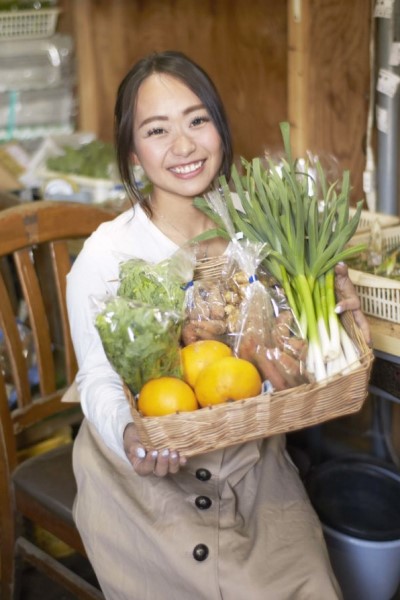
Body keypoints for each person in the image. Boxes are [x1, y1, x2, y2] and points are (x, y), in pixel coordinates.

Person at [66, 50, 371, 600]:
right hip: (144, 483)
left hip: (254, 470)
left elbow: (288, 353)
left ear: (220, 129)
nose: (183, 146)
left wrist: (329, 308)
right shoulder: (107, 254)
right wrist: (132, 435)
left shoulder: (257, 227)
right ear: (132, 151)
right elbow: (96, 378)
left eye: (197, 120)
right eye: (157, 130)